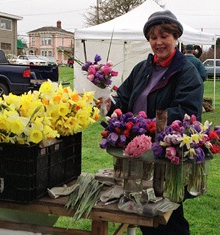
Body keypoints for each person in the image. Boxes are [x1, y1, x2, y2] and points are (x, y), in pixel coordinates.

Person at [101, 10, 203, 235]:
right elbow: (125, 99)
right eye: (153, 37)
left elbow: (187, 112)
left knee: (165, 220)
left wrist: (147, 124)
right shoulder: (143, 68)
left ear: (175, 37)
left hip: (165, 159)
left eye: (164, 35)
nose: (158, 42)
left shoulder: (186, 72)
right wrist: (109, 106)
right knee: (145, 215)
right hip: (138, 156)